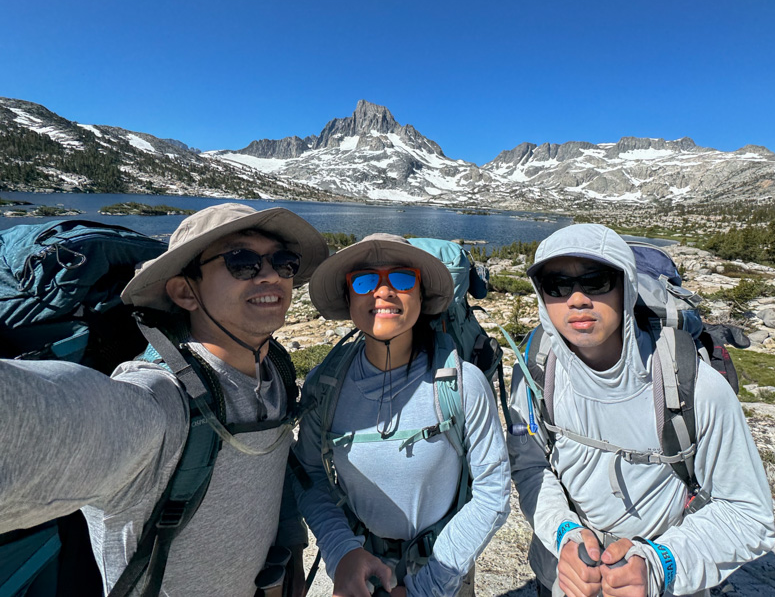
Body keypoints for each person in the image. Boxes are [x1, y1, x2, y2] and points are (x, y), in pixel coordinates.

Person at [0, 203, 329, 596]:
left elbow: (274, 468)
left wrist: (289, 552)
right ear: (185, 291)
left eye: (284, 261)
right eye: (243, 261)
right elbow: (58, 417)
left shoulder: (274, 368)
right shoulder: (161, 401)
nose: (272, 274)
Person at [508, 224, 775, 597]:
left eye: (597, 281)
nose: (577, 299)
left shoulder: (693, 386)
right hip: (564, 579)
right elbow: (531, 468)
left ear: (626, 287)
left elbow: (748, 515)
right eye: (557, 285)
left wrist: (659, 564)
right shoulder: (535, 374)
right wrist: (564, 535)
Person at [296, 233, 511, 597]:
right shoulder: (325, 386)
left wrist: (429, 585)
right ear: (349, 298)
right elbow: (309, 475)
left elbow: (493, 491)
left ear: (422, 294)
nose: (383, 292)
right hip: (360, 569)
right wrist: (342, 552)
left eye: (401, 278)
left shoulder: (463, 383)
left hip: (444, 573)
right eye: (363, 281)